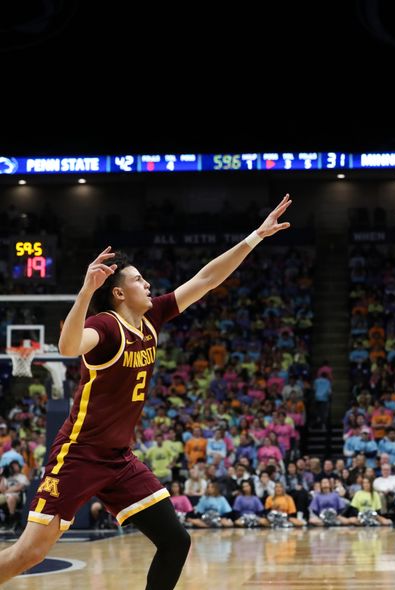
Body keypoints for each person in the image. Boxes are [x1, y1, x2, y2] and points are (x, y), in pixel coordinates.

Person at [0, 196, 292, 588]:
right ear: (119, 293)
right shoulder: (105, 327)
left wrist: (256, 236)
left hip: (119, 458)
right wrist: (86, 291)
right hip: (79, 454)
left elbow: (206, 279)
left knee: (175, 540)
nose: (148, 283)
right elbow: (69, 348)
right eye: (138, 280)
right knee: (29, 554)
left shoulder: (152, 318)